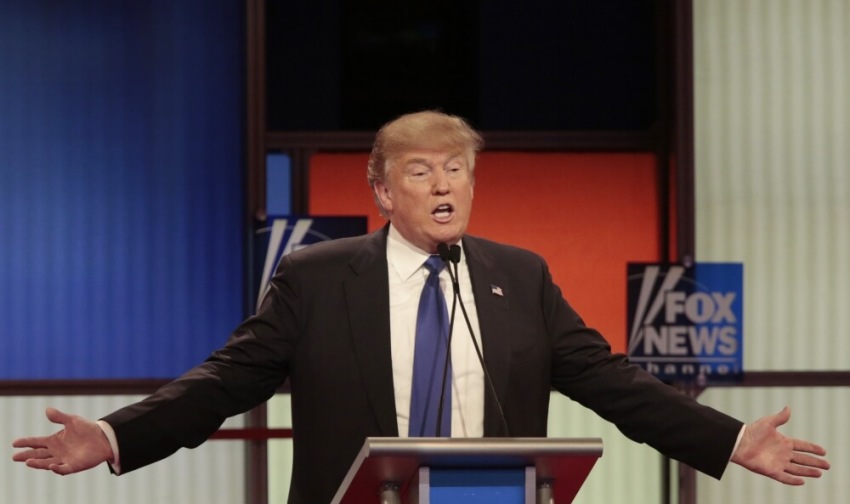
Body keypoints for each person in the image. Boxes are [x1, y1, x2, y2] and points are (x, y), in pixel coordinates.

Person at [12, 111, 829, 503]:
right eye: (421, 172)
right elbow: (225, 383)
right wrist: (117, 434)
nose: (444, 186)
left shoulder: (520, 275)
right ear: (381, 190)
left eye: (458, 170)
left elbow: (610, 383)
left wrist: (726, 441)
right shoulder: (317, 277)